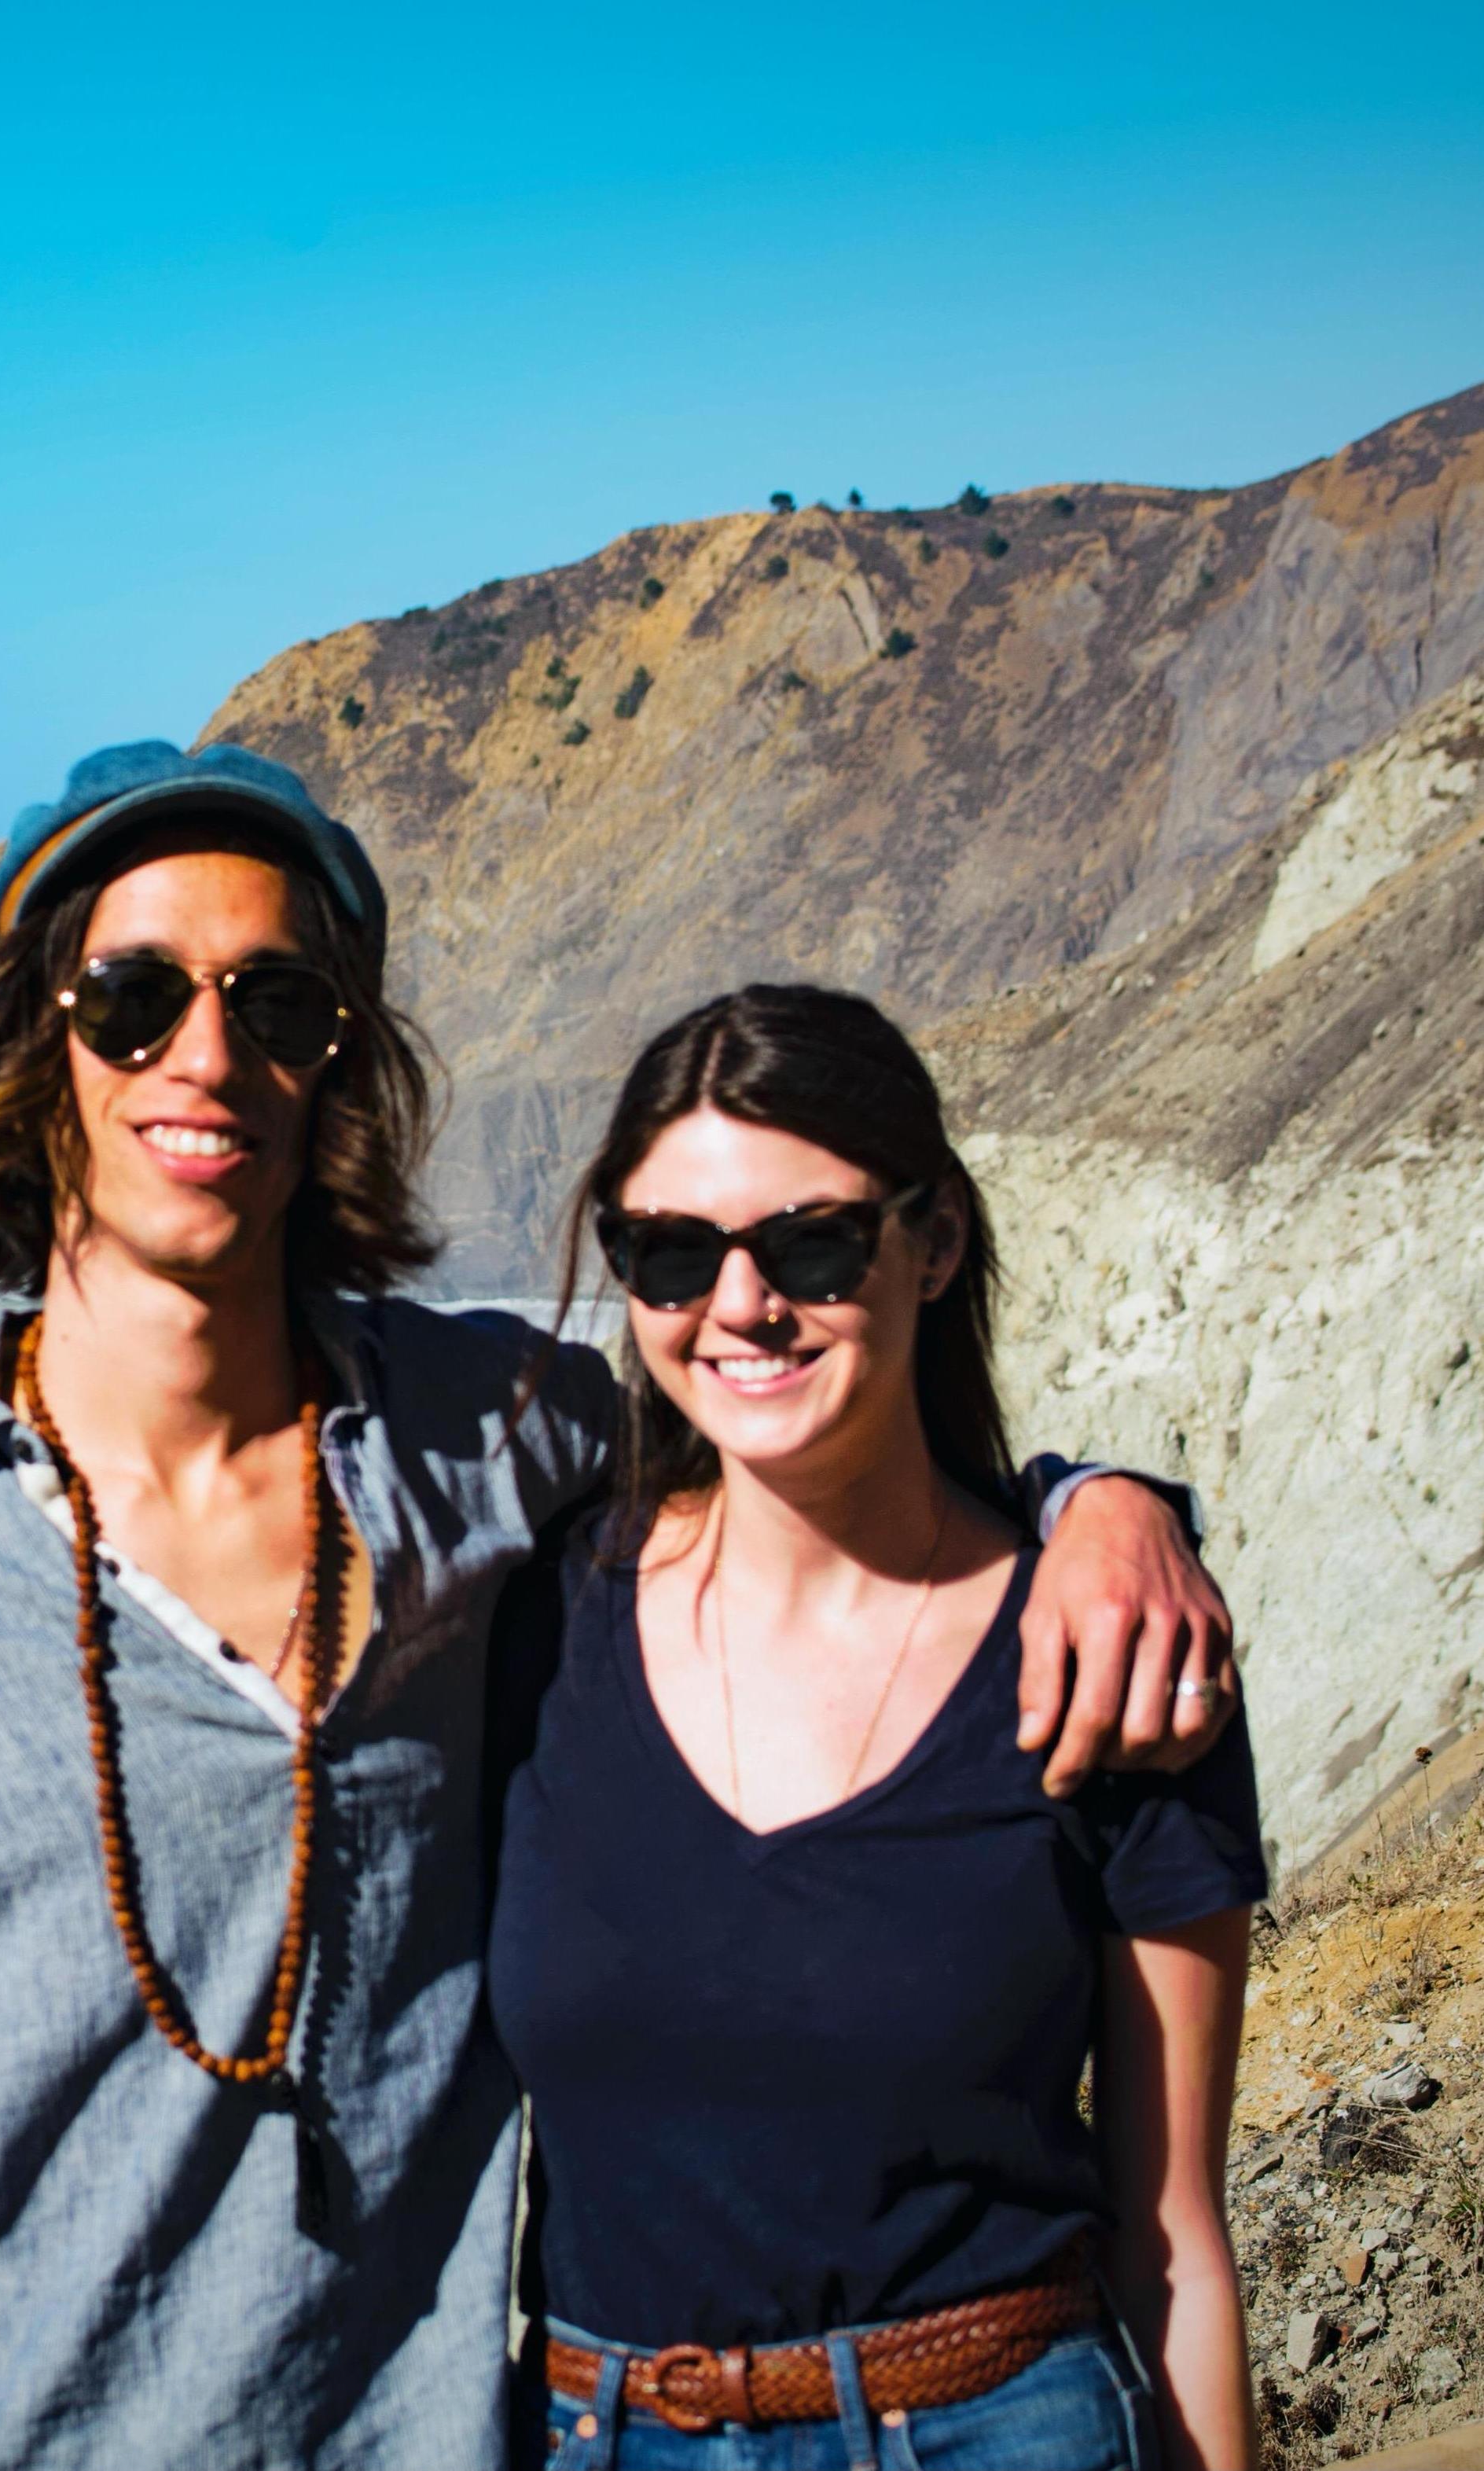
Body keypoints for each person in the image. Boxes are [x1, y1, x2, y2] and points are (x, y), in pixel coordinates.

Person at [0, 741, 1232, 2471]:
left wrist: (1101, 1509)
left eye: (278, 1001)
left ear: (335, 1060)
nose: (207, 1054)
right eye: (129, 999)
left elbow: (792, 1424)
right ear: (28, 1052)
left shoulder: (487, 1450)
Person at [487, 985, 1260, 2469]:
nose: (740, 1306)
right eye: (668, 1254)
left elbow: (1174, 2241)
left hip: (1004, 2430)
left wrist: (1108, 1507)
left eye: (812, 1243)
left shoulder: (1111, 1660)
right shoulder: (533, 1630)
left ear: (937, 1241)